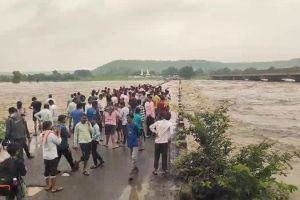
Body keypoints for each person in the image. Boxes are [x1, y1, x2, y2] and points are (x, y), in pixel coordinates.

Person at [40, 121, 63, 192]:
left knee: (46, 171)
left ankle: (48, 186)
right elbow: (58, 142)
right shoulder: (51, 135)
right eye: (51, 125)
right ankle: (54, 188)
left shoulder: (42, 134)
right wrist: (58, 134)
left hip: (45, 156)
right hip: (52, 156)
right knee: (53, 172)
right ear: (49, 126)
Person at [126, 114, 139, 180]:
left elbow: (138, 134)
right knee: (132, 157)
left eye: (128, 118)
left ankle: (131, 174)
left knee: (133, 157)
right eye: (126, 118)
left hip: (135, 143)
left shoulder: (135, 125)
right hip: (130, 143)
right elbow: (127, 133)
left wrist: (138, 140)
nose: (127, 119)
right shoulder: (127, 125)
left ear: (132, 118)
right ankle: (135, 167)